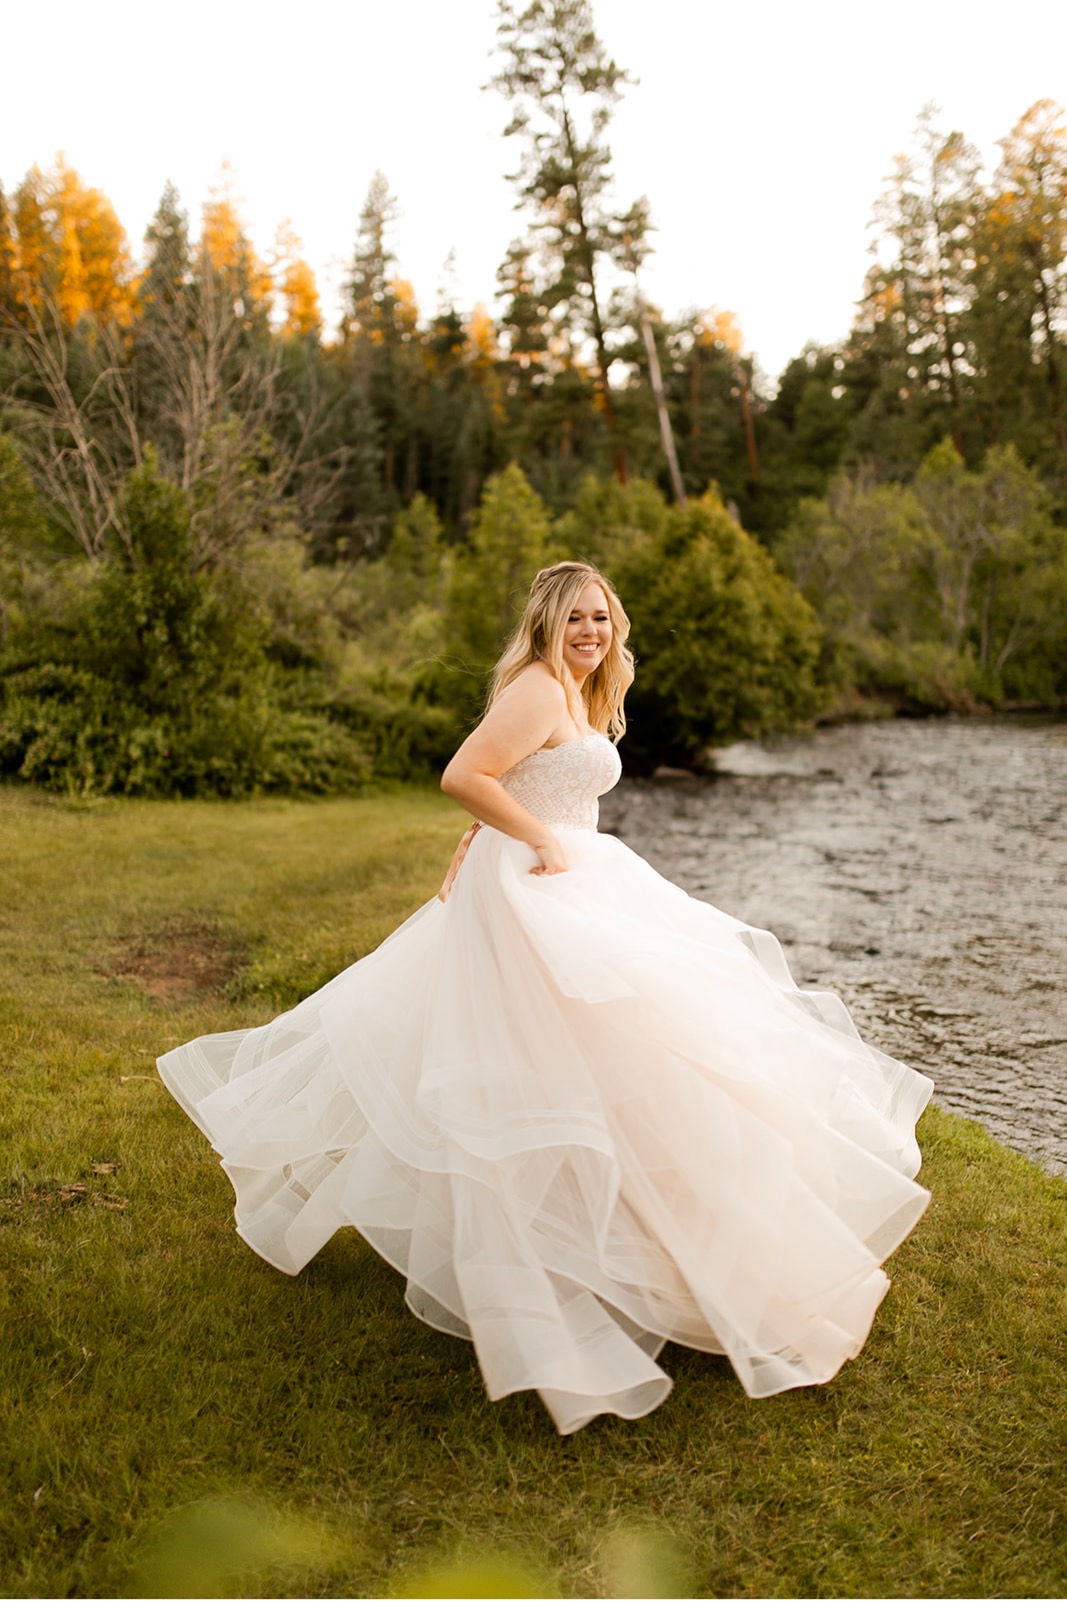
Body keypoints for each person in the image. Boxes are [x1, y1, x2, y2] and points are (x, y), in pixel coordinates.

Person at [158, 560, 932, 1435]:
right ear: (546, 624)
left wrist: (495, 829)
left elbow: (513, 778)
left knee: (610, 1053)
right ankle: (558, 1263)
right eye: (575, 618)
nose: (591, 631)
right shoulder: (536, 686)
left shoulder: (574, 688)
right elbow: (465, 772)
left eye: (601, 616)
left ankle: (626, 1242)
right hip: (538, 882)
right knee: (571, 1057)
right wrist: (527, 837)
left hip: (556, 875)